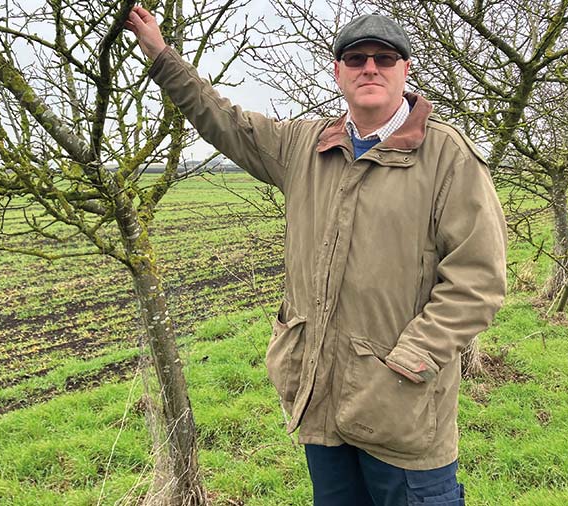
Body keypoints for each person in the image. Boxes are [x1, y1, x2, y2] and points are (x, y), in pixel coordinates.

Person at [126, 7, 507, 506]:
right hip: (320, 400)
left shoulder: (446, 156)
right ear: (338, 72)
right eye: (356, 58)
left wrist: (413, 359)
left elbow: (477, 278)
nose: (370, 67)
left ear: (405, 70)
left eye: (384, 58)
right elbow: (226, 122)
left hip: (404, 411)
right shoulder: (305, 145)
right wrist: (160, 55)